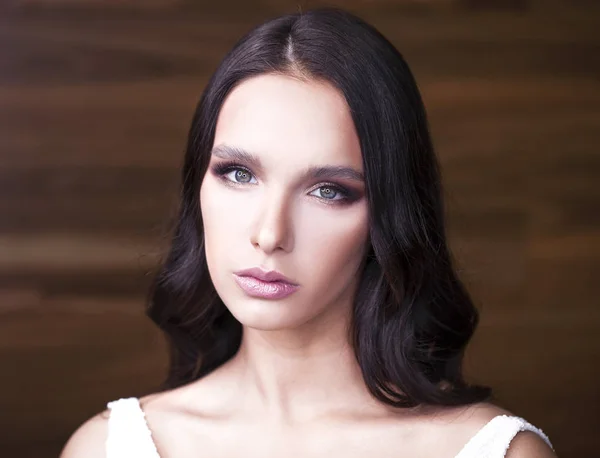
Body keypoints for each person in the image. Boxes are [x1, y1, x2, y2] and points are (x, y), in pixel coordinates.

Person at [60, 7, 556, 458]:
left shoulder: (492, 452)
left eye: (328, 190)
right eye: (239, 173)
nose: (270, 233)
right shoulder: (110, 447)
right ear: (198, 186)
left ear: (389, 212)